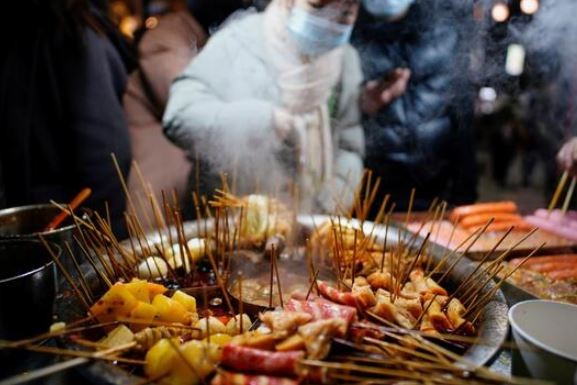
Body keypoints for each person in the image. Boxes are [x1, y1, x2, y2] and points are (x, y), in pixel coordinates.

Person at [163, 0, 366, 213]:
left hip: (307, 229)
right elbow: (179, 117)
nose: (330, 18)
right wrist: (266, 121)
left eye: (345, 12)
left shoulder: (345, 59)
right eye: (318, 6)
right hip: (229, 225)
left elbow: (349, 145)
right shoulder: (238, 43)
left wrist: (327, 207)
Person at [0, 0, 133, 236]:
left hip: (74, 234)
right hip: (44, 227)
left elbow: (106, 157)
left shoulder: (71, 36)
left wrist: (98, 243)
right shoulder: (29, 35)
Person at [352, 0, 477, 213]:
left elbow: (463, 119)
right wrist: (361, 105)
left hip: (432, 198)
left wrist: (464, 199)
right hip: (364, 197)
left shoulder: (446, 33)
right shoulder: (348, 31)